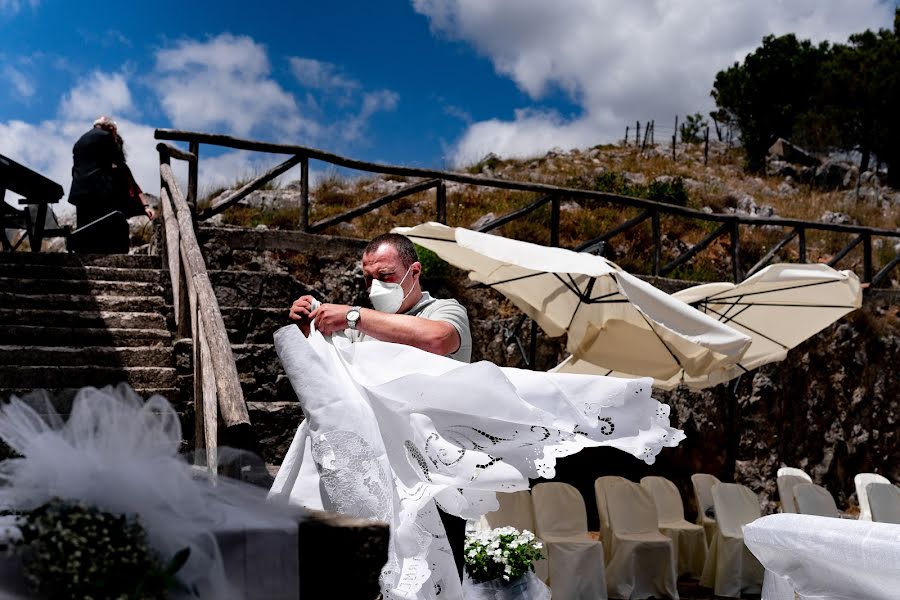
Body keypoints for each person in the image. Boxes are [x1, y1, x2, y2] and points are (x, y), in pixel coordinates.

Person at [288, 232, 472, 578]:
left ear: (413, 271)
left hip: (437, 475)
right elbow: (329, 380)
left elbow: (438, 339)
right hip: (378, 477)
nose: (375, 286)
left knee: (439, 570)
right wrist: (306, 331)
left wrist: (353, 316)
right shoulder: (362, 327)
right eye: (368, 278)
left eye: (385, 276)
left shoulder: (444, 310)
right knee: (380, 575)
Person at [69, 116, 154, 228]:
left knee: (84, 231)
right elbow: (116, 160)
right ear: (110, 128)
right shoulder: (106, 136)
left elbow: (75, 168)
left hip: (79, 193)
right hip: (99, 193)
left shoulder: (79, 142)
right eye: (115, 131)